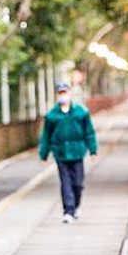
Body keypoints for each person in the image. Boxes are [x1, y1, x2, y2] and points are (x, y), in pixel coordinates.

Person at [39, 82, 98, 222]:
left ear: (70, 94)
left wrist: (93, 150)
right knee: (65, 182)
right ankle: (68, 210)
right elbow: (46, 136)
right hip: (60, 153)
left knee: (78, 183)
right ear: (57, 95)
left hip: (77, 152)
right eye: (60, 93)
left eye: (65, 92)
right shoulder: (52, 116)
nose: (63, 96)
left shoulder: (81, 112)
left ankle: (76, 205)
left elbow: (89, 132)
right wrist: (44, 154)